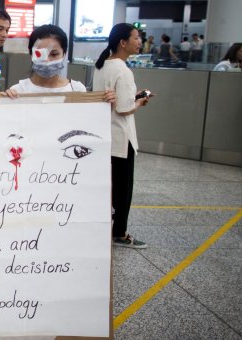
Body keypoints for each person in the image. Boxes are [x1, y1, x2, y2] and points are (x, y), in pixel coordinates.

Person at [93, 23, 152, 249]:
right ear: (123, 42)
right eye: (136, 38)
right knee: (123, 188)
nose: (139, 42)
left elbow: (112, 100)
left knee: (109, 187)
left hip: (104, 135)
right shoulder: (123, 69)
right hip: (121, 138)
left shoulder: (101, 66)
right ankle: (119, 233)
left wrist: (131, 98)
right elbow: (124, 108)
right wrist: (140, 101)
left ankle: (104, 227)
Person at [2, 24, 116, 105]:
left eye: (54, 54)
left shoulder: (76, 90)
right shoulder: (18, 91)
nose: (47, 61)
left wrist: (106, 106)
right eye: (40, 54)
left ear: (64, 54)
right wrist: (3, 103)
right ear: (31, 54)